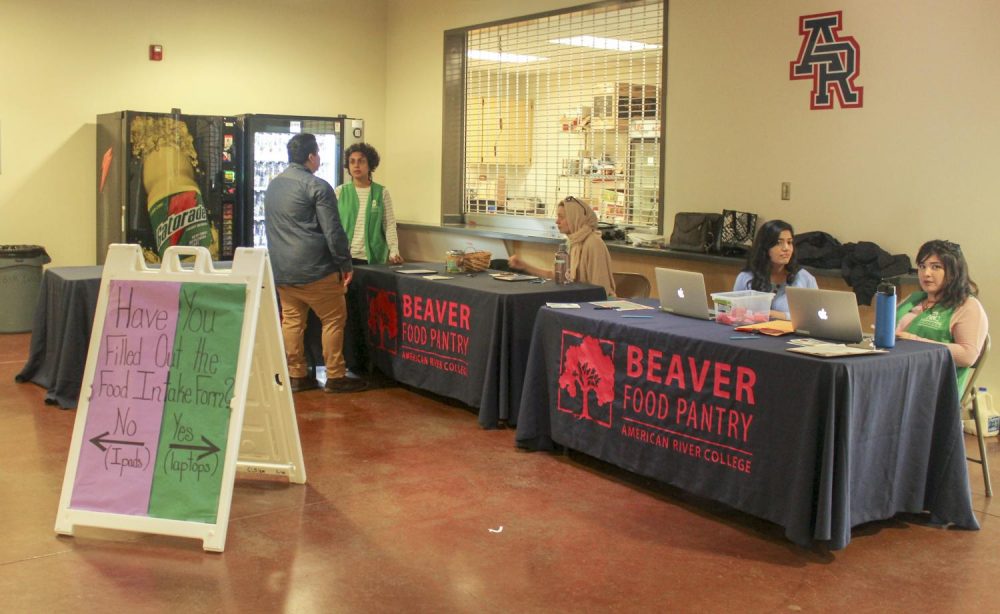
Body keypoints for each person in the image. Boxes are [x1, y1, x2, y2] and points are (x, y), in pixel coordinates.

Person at [264, 133, 367, 393]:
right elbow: (333, 231)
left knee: (292, 321)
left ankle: (296, 374)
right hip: (316, 270)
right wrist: (345, 264)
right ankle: (335, 375)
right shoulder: (318, 186)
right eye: (318, 153)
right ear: (311, 157)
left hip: (283, 270)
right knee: (333, 319)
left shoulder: (273, 185)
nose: (319, 158)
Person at [895, 240, 988, 392]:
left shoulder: (967, 306)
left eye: (936, 267)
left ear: (953, 272)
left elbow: (967, 356)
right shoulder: (913, 299)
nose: (926, 273)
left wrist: (916, 342)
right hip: (897, 376)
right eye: (922, 266)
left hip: (935, 390)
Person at [508, 196, 616, 296]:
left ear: (575, 218)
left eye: (561, 217)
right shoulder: (572, 242)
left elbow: (601, 290)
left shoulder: (593, 243)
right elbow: (556, 276)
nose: (557, 221)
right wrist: (524, 266)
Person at [733, 219, 817, 319]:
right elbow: (734, 313)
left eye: (789, 242)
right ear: (765, 247)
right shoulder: (746, 277)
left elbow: (815, 316)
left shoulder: (804, 278)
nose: (786, 248)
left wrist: (783, 316)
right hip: (753, 332)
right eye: (779, 243)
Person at [335, 142, 403, 265]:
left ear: (370, 165)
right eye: (352, 161)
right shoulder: (340, 192)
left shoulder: (381, 192)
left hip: (373, 258)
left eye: (361, 161)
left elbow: (389, 224)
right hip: (345, 257)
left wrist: (394, 251)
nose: (356, 165)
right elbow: (333, 225)